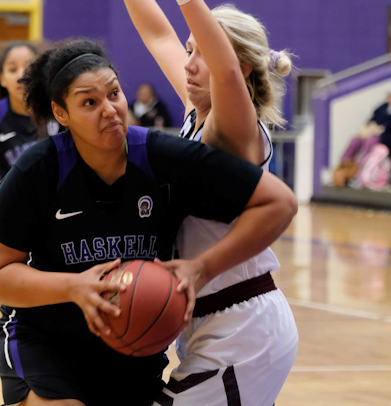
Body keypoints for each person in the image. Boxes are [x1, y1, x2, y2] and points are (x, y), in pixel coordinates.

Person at [0, 38, 297, 406]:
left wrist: (202, 267)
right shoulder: (38, 170)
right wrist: (73, 288)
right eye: (89, 102)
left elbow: (279, 202)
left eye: (114, 93)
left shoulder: (162, 156)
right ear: (61, 114)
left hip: (133, 344)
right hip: (46, 339)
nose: (110, 110)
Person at [124, 0, 298, 404]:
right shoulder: (193, 114)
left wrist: (189, 3)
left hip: (243, 328)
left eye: (203, 50)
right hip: (211, 323)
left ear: (242, 68)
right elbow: (158, 34)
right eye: (190, 50)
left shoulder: (236, 129)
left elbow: (223, 70)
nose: (190, 63)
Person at [0, 41, 61, 217]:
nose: (21, 75)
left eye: (29, 67)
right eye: (12, 69)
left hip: (56, 209)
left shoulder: (58, 112)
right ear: (1, 78)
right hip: (10, 210)